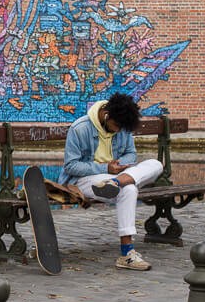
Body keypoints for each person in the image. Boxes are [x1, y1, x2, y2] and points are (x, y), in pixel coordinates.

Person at [58, 93, 163, 271]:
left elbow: (131, 154)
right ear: (106, 115)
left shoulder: (122, 125)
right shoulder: (80, 128)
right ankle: (127, 252)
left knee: (156, 164)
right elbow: (71, 166)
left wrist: (119, 167)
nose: (118, 131)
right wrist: (105, 168)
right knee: (129, 189)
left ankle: (117, 182)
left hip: (115, 177)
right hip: (84, 180)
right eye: (116, 126)